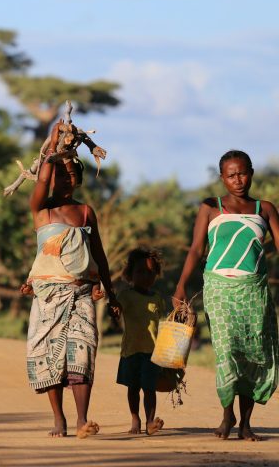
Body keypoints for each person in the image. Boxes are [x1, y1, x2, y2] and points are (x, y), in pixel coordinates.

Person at [20, 121, 120, 438]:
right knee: (51, 356)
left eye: (73, 174)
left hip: (82, 294)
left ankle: (82, 419)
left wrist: (111, 291)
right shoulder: (41, 211)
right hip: (48, 296)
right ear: (49, 177)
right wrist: (54, 146)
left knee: (83, 352)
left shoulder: (86, 213)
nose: (67, 179)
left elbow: (100, 255)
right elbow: (44, 177)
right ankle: (59, 419)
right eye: (61, 174)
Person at [173, 150, 279, 441]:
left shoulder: (265, 209)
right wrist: (181, 286)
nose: (238, 180)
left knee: (251, 356)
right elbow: (196, 249)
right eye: (231, 175)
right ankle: (226, 414)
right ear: (222, 178)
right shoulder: (211, 207)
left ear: (252, 172)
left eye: (242, 173)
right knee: (226, 350)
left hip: (254, 291)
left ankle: (245, 423)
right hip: (218, 288)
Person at [116, 246, 165, 436]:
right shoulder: (126, 295)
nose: (146, 276)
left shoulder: (157, 298)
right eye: (140, 272)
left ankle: (150, 422)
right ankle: (135, 418)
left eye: (150, 273)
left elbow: (163, 321)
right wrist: (114, 310)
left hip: (153, 352)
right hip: (131, 350)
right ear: (130, 274)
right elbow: (118, 310)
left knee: (150, 388)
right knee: (133, 388)